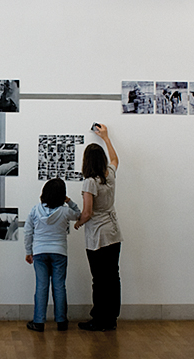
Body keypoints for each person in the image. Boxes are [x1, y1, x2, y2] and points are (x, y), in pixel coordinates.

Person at [74, 123, 121, 331]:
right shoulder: (109, 175)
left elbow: (87, 212)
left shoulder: (89, 182)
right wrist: (106, 138)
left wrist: (78, 223)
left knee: (99, 280)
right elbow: (115, 160)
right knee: (112, 277)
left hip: (98, 236)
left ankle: (99, 318)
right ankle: (111, 318)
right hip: (113, 232)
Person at [24, 178, 81, 332]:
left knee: (41, 286)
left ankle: (38, 322)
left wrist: (28, 251)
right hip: (59, 252)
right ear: (61, 195)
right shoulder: (65, 211)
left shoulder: (35, 210)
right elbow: (79, 214)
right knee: (59, 286)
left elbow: (28, 232)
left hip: (40, 252)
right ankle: (61, 321)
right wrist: (69, 201)